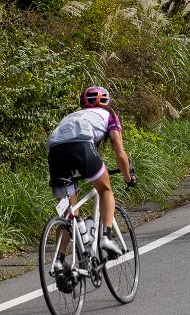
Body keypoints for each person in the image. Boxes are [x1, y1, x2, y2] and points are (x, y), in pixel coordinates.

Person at [46, 86, 136, 264]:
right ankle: (106, 237)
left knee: (69, 212)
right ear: (107, 102)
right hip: (82, 147)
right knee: (105, 190)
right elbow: (119, 153)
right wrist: (128, 177)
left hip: (55, 152)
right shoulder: (108, 114)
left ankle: (59, 261)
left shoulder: (72, 116)